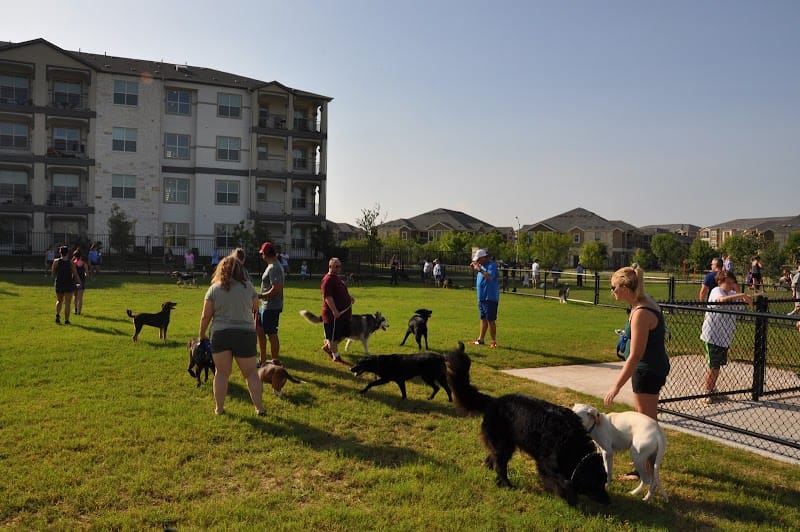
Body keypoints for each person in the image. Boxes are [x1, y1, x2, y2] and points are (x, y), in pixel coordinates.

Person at [198, 254, 265, 416]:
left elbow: (206, 316)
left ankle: (219, 409)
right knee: (251, 374)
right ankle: (259, 408)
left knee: (221, 373)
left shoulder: (214, 289)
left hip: (220, 334)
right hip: (245, 334)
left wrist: (201, 334)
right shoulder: (248, 287)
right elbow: (256, 307)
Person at [604, 264, 670, 420]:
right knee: (646, 419)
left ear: (625, 288)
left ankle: (653, 445)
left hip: (647, 371)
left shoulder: (641, 312)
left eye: (614, 287)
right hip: (651, 369)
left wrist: (616, 387)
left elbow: (636, 355)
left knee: (646, 421)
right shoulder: (642, 302)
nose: (612, 291)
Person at [699, 270, 752, 404]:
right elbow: (720, 300)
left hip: (724, 338)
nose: (730, 285)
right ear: (720, 282)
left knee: (717, 366)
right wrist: (740, 294)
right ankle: (707, 392)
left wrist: (743, 296)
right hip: (712, 336)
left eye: (732, 283)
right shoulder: (716, 291)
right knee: (714, 366)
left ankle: (712, 390)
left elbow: (745, 305)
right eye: (727, 283)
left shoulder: (732, 294)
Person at [320, 257, 354, 363]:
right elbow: (328, 297)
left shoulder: (337, 278)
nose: (339, 268)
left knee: (346, 333)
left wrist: (349, 297)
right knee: (334, 337)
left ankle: (328, 347)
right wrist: (334, 310)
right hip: (333, 315)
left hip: (344, 314)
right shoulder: (327, 280)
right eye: (336, 266)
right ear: (330, 266)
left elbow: (342, 290)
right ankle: (336, 356)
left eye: (339, 266)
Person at [256, 241, 284, 367]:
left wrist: (261, 295)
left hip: (272, 306)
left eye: (262, 253)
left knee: (272, 333)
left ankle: (275, 362)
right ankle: (262, 361)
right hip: (265, 305)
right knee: (260, 331)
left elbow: (276, 289)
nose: (261, 256)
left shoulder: (274, 267)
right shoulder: (271, 266)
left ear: (266, 254)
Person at [470, 249, 500, 348]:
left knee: (490, 320)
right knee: (483, 318)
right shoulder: (481, 265)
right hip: (482, 297)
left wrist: (480, 270)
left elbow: (490, 277)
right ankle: (481, 339)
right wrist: (475, 267)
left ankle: (493, 341)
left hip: (490, 297)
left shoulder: (492, 265)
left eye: (479, 259)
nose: (477, 261)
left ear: (484, 257)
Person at [52, 245, 81, 325]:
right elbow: (75, 274)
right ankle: (66, 320)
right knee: (67, 303)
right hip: (68, 283)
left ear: (60, 253)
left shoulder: (56, 261)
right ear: (68, 253)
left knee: (59, 301)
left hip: (59, 283)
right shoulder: (71, 263)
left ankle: (57, 315)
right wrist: (79, 282)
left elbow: (53, 272)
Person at [71, 249, 89, 315]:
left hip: (74, 281)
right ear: (81, 256)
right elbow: (87, 274)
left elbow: (72, 273)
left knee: (75, 296)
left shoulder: (73, 263)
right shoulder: (84, 264)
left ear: (74, 256)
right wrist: (84, 273)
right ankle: (79, 312)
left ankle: (75, 310)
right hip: (82, 281)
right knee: (80, 298)